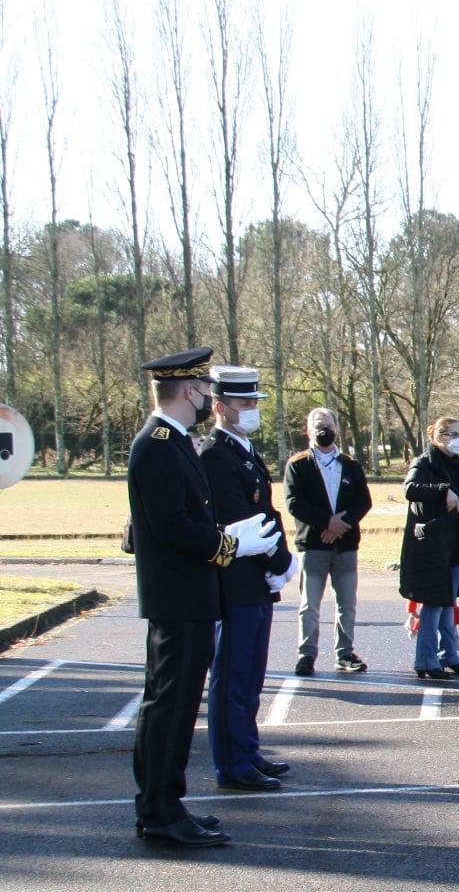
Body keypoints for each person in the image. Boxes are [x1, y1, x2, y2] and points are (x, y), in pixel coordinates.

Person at [126, 347, 280, 847]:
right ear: (191, 391)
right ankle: (160, 811)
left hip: (187, 594)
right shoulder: (158, 444)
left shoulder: (173, 442)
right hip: (178, 596)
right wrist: (230, 544)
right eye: (204, 390)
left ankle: (165, 805)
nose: (206, 398)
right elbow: (172, 525)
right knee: (169, 708)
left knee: (175, 706)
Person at [201, 366, 297, 791]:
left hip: (256, 581)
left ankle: (248, 750)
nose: (252, 410)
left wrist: (282, 561)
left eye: (254, 402)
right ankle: (233, 763)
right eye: (244, 403)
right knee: (233, 677)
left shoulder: (243, 450)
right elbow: (242, 520)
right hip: (236, 580)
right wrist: (278, 563)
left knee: (252, 676)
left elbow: (269, 512)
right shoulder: (216, 455)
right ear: (220, 407)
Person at [284, 407, 372, 676]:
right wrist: (326, 522)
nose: (325, 430)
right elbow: (294, 502)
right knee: (309, 604)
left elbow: (363, 501)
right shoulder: (298, 464)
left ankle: (345, 653)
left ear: (337, 429)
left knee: (347, 604)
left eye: (329, 425)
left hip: (345, 544)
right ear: (308, 431)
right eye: (319, 425)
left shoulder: (351, 465)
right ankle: (306, 654)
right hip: (313, 544)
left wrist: (340, 526)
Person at [400, 417, 459, 680]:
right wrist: (444, 491)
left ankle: (450, 655)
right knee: (434, 605)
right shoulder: (425, 463)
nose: (458, 439)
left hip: (456, 545)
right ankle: (426, 660)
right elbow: (410, 489)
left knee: (447, 604)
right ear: (438, 436)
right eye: (452, 434)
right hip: (433, 546)